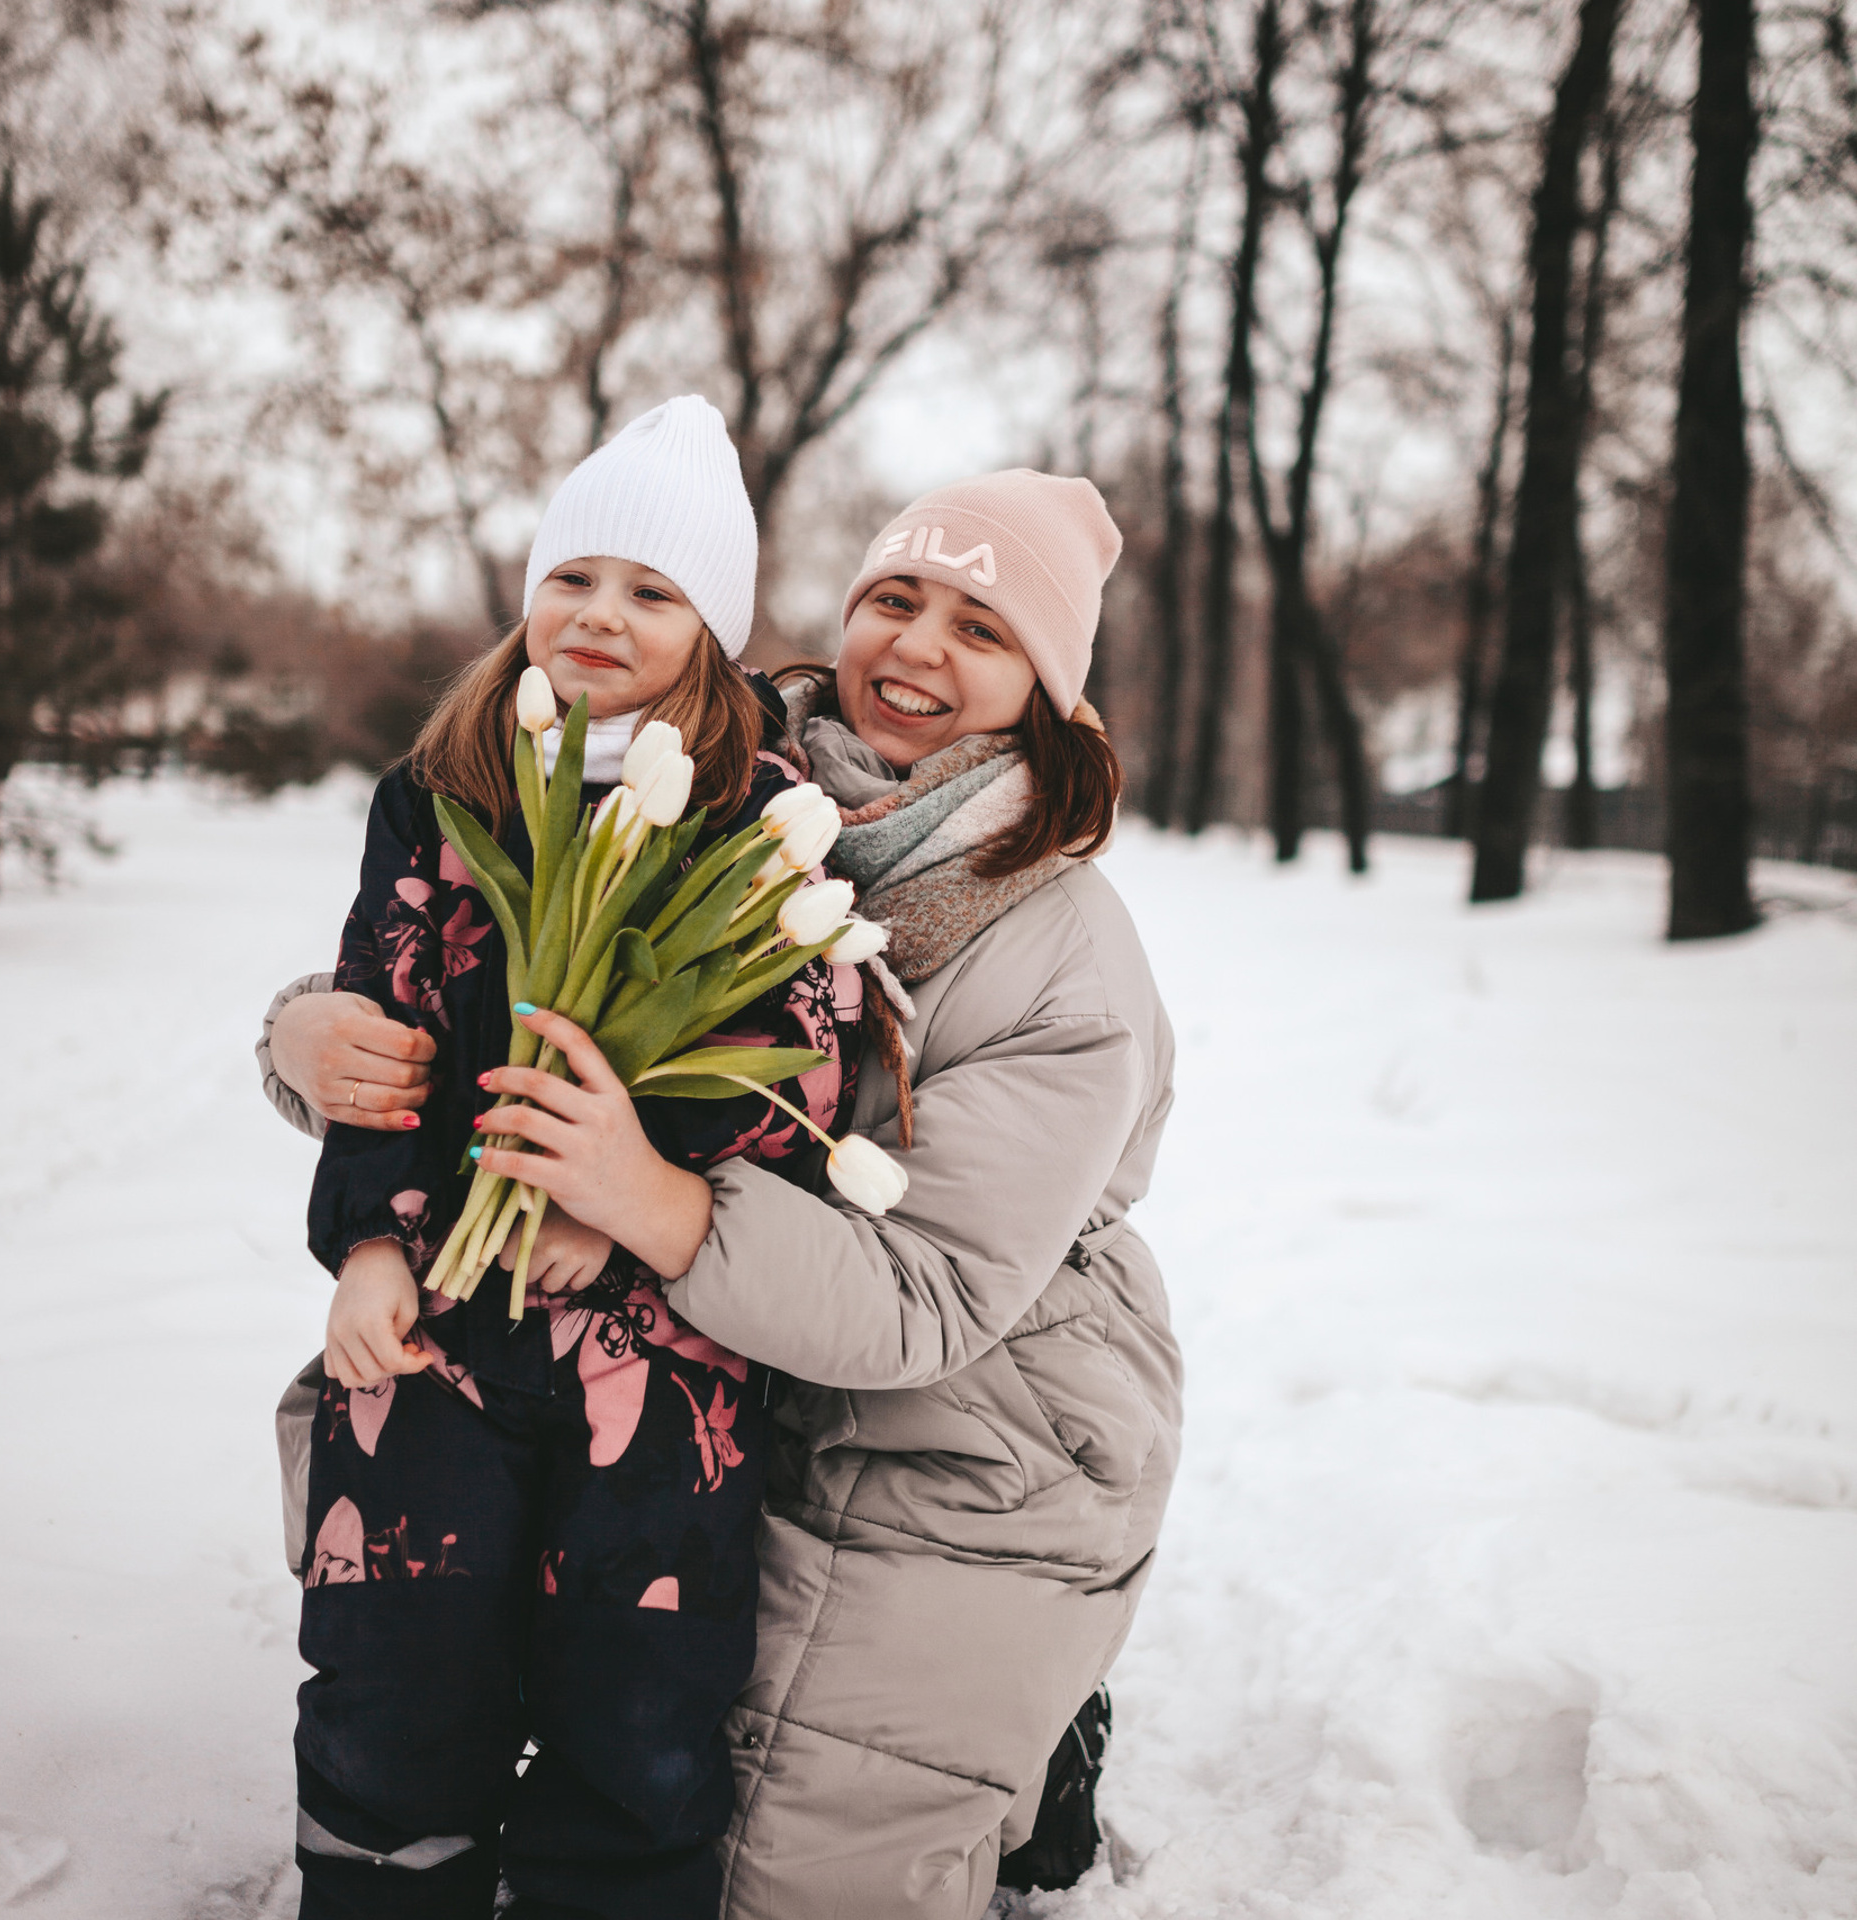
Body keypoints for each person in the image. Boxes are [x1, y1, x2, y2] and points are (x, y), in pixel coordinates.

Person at [263, 467, 1182, 1919]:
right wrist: (310, 1033)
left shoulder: (1064, 958)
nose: (919, 650)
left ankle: (1030, 1732)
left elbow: (929, 1294)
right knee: (425, 1567)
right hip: (699, 1334)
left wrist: (645, 1204)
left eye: (983, 629)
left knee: (746, 1872)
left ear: (1048, 691)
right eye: (896, 598)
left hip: (959, 1399)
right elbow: (485, 963)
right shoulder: (707, 763)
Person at [284, 394, 864, 1920]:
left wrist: (626, 1206)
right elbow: (385, 1022)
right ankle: (382, 1878)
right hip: (439, 1325)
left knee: (644, 1689)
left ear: (715, 633)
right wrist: (369, 1245)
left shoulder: (766, 819)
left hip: (662, 1357)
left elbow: (795, 1042)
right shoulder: (445, 788)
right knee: (395, 1656)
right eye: (575, 577)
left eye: (654, 592)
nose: (601, 615)